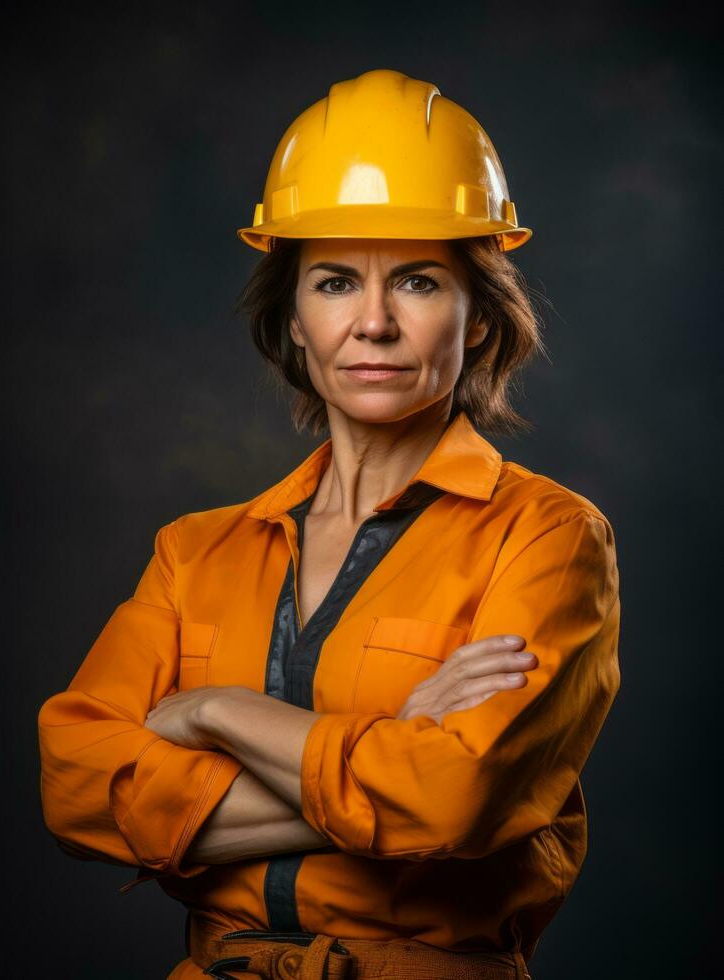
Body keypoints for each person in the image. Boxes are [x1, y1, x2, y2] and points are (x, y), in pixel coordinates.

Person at [38, 69, 621, 980]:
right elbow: (75, 792)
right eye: (337, 281)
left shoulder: (547, 536)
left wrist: (217, 713)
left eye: (421, 282)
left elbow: (461, 802)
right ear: (296, 320)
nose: (375, 324)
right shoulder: (195, 552)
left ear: (476, 321)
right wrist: (392, 738)